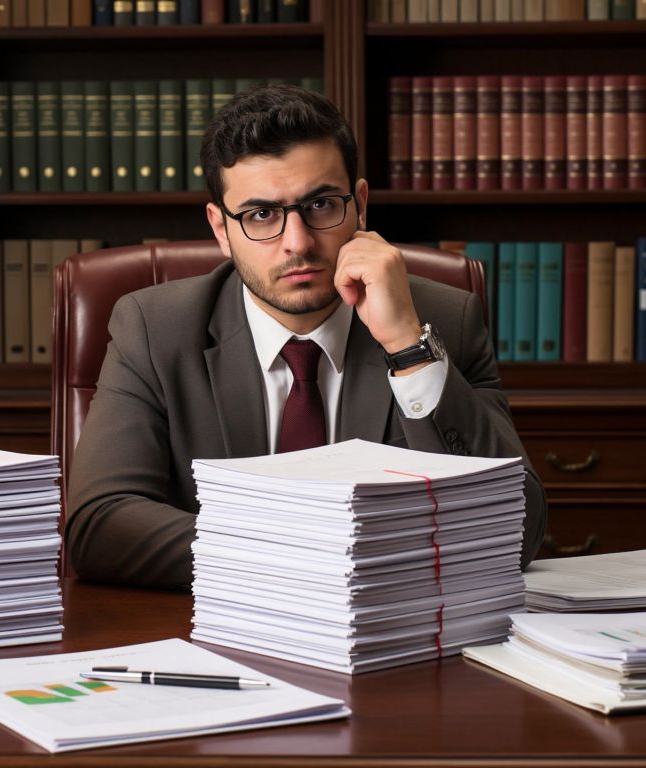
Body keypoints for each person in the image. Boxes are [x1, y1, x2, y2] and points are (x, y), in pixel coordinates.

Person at [65, 85, 546, 589]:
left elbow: (518, 531)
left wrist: (407, 346)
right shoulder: (153, 328)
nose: (297, 242)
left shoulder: (444, 319)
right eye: (261, 215)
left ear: (359, 204)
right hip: (219, 636)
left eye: (319, 204)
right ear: (220, 229)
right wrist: (310, 551)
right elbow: (101, 524)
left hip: (390, 643)